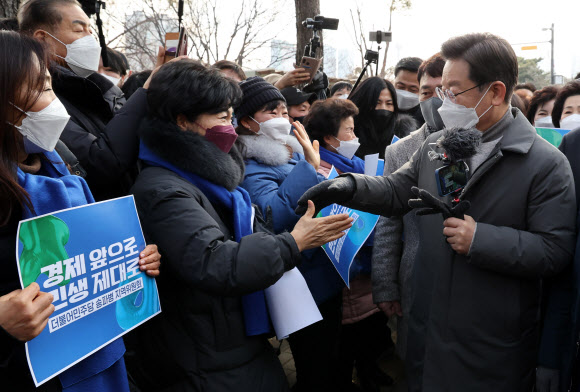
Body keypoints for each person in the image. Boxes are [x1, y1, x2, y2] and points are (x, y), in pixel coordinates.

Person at [295, 32, 577, 391]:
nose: (444, 103)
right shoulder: (437, 145)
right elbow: (398, 190)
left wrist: (482, 240)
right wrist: (349, 187)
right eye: (442, 90)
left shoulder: (545, 163)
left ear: (496, 92)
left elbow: (554, 251)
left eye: (454, 91)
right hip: (426, 328)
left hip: (490, 344)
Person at [124, 61, 352, 391]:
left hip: (233, 343)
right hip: (205, 356)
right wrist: (294, 242)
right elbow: (216, 262)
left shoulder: (211, 176)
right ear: (183, 121)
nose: (229, 126)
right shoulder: (163, 189)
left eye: (231, 115)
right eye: (220, 116)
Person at [0, 30, 161, 392]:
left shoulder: (61, 165)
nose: (54, 101)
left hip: (104, 361)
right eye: (40, 89)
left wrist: (135, 259)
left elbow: (94, 253)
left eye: (50, 86)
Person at [234, 76, 344, 392]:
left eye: (285, 110)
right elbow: (273, 215)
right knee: (314, 362)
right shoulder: (250, 165)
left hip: (321, 271)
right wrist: (310, 167)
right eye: (272, 111)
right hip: (299, 282)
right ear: (248, 122)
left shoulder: (289, 153)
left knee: (328, 355)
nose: (283, 118)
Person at [18, 0, 157, 201]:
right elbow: (99, 163)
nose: (91, 39)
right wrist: (146, 94)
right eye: (79, 30)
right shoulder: (43, 101)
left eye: (90, 30)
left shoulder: (93, 88)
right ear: (42, 39)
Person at [305, 98, 395, 391]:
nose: (355, 138)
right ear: (329, 138)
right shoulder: (321, 175)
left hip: (369, 285)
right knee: (343, 354)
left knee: (371, 348)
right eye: (349, 131)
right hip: (347, 285)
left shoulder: (358, 166)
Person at [371, 53, 446, 365]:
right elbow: (389, 222)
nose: (434, 100)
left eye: (443, 91)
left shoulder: (485, 145)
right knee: (417, 361)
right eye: (426, 92)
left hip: (471, 277)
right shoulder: (400, 151)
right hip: (416, 278)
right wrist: (385, 284)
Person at [349, 76, 418, 159]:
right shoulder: (347, 133)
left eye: (389, 104)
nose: (383, 108)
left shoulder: (402, 135)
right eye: (377, 103)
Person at [394, 56, 425, 126]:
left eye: (413, 90)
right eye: (400, 87)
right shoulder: (382, 107)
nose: (405, 93)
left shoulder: (426, 118)